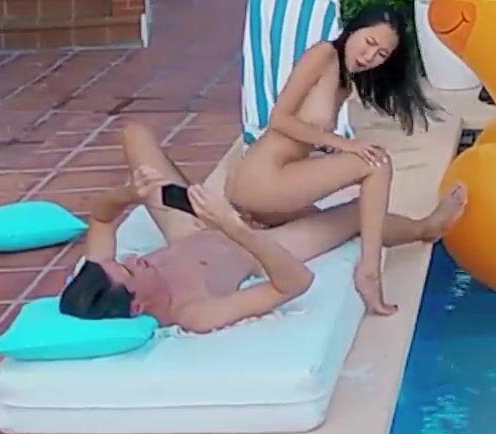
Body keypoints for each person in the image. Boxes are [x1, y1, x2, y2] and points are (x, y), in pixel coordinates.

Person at [60, 122, 465, 330]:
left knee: (134, 135)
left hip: (188, 229)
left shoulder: (101, 274)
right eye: (132, 270)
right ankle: (425, 229)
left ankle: (259, 205)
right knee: (357, 213)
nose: (134, 258)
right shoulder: (195, 313)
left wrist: (129, 193)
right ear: (137, 306)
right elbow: (294, 283)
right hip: (251, 247)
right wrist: (232, 225)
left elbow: (102, 217)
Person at [225, 3, 438, 314]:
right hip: (263, 179)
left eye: (382, 54)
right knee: (377, 163)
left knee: (360, 212)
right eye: (369, 43)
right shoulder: (323, 54)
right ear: (353, 29)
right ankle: (369, 274)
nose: (370, 57)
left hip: (270, 186)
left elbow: (307, 134)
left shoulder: (344, 81)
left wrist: (334, 150)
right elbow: (279, 119)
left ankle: (424, 228)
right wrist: (343, 144)